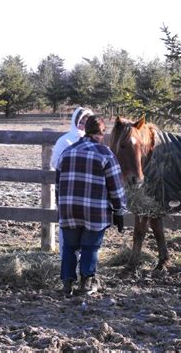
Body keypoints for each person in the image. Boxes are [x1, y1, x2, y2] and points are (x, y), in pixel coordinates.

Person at [55, 115, 127, 297]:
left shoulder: (67, 152)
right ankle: (86, 282)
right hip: (94, 211)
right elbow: (116, 187)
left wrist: (61, 207)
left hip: (68, 209)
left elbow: (58, 184)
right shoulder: (106, 154)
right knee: (90, 247)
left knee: (69, 247)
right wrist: (119, 210)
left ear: (86, 130)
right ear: (101, 133)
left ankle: (66, 283)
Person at [51, 106, 94, 259]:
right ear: (75, 121)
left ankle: (85, 262)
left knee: (88, 226)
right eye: (81, 121)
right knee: (68, 226)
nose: (83, 124)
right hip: (69, 190)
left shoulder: (96, 142)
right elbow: (55, 162)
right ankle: (67, 261)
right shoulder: (65, 140)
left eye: (87, 121)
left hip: (89, 191)